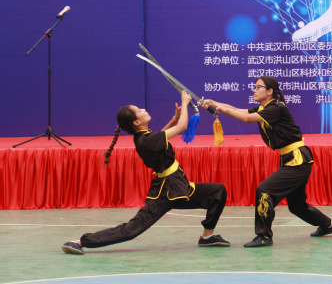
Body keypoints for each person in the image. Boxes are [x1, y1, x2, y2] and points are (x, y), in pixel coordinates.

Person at [61, 91, 230, 255]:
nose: (143, 109)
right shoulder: (147, 140)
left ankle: (207, 236)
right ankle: (80, 242)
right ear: (136, 122)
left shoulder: (145, 137)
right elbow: (183, 127)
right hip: (166, 191)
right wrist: (185, 103)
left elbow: (160, 137)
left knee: (217, 191)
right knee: (131, 230)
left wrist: (173, 120)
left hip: (178, 186)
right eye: (139, 110)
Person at [201, 76, 332, 248]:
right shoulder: (264, 108)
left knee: (264, 190)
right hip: (292, 160)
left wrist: (222, 109)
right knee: (296, 206)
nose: (254, 90)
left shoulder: (276, 108)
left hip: (297, 160)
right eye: (255, 86)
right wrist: (214, 104)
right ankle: (328, 225)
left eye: (258, 87)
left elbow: (247, 118)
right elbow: (239, 110)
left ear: (270, 91)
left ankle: (264, 236)